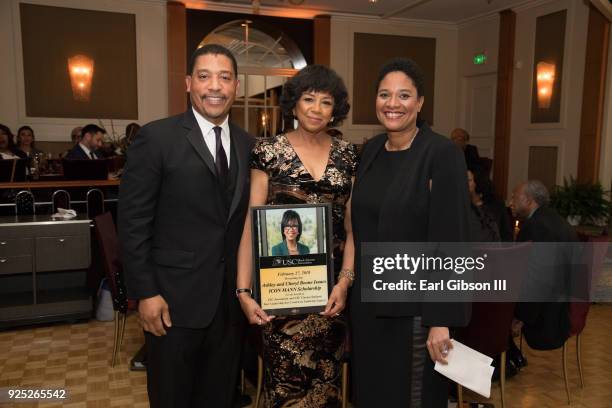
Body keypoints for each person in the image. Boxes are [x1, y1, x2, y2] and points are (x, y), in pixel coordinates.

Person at [118, 43, 254, 408]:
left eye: (225, 78)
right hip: (171, 303)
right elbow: (132, 223)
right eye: (205, 76)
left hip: (229, 307)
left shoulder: (248, 144)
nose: (215, 86)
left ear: (236, 87)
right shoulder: (157, 138)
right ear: (188, 83)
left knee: (220, 397)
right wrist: (145, 293)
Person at [349, 58, 471, 407]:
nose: (393, 103)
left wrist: (441, 321)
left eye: (404, 95)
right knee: (372, 393)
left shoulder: (441, 154)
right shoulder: (371, 150)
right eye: (384, 94)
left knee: (412, 397)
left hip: (416, 313)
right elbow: (360, 225)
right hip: (369, 309)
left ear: (419, 103)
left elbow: (452, 239)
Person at [236, 64, 357, 407]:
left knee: (327, 388)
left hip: (332, 294)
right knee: (286, 390)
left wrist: (345, 282)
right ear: (294, 103)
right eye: (309, 99)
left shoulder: (349, 156)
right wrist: (243, 291)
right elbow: (250, 224)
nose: (316, 109)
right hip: (282, 293)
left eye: (326, 102)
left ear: (337, 109)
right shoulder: (268, 152)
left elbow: (352, 228)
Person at [510, 180, 577, 351]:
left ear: (529, 200)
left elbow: (534, 280)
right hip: (561, 311)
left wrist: (519, 317)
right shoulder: (559, 221)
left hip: (544, 317)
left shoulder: (535, 226)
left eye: (514, 198)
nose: (510, 202)